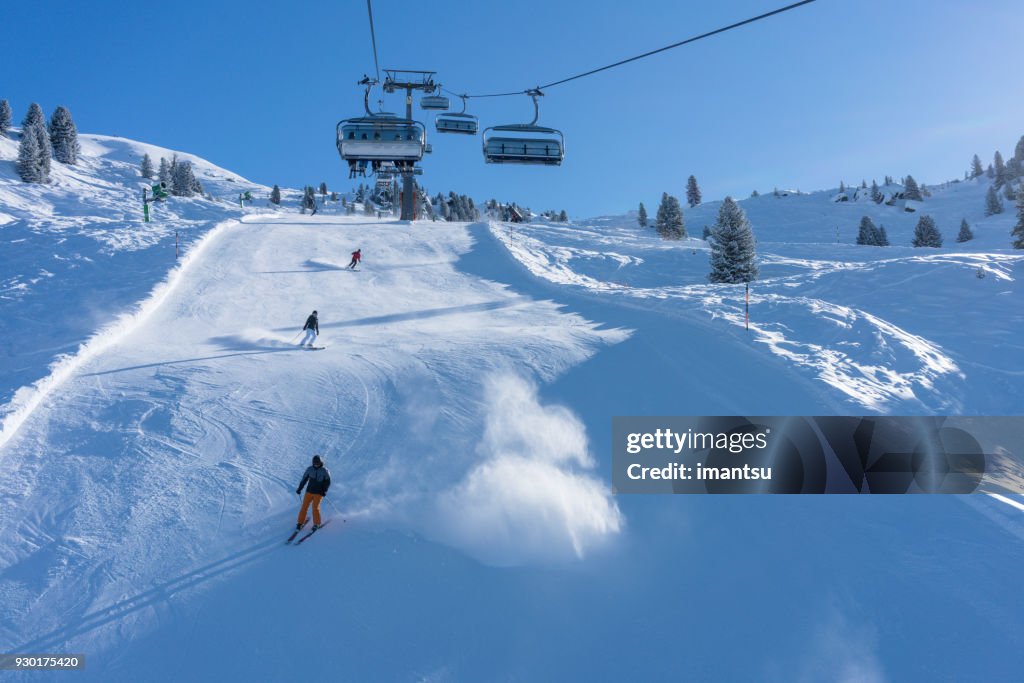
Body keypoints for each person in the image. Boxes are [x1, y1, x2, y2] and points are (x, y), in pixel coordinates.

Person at [295, 454, 331, 530]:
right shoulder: (309, 469)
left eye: (318, 463)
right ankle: (300, 522)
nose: (316, 465)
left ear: (321, 462)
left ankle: (317, 524)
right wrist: (300, 488)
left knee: (315, 507)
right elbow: (304, 479)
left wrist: (324, 491)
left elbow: (328, 482)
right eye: (315, 463)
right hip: (309, 491)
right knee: (304, 506)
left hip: (319, 493)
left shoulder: (324, 471)